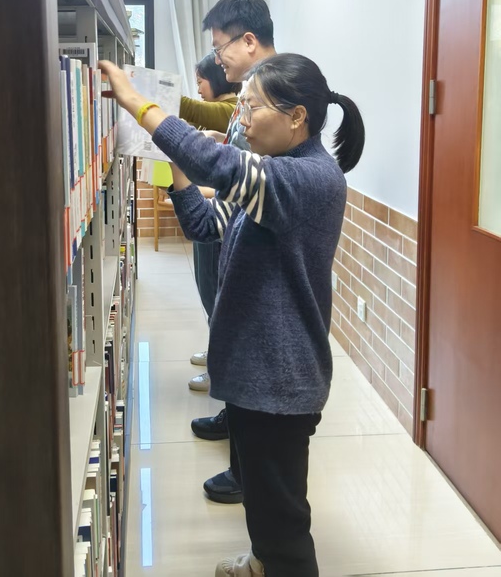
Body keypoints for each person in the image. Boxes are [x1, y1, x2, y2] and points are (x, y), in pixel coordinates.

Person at [99, 52, 365, 577]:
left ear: (296, 117)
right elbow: (203, 223)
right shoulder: (274, 178)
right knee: (265, 506)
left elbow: (220, 165)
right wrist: (174, 164)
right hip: (256, 375)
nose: (241, 120)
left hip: (278, 382)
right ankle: (262, 560)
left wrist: (138, 103)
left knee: (284, 525)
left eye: (252, 107)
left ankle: (276, 561)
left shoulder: (308, 179)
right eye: (240, 106)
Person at [191, 0, 277, 503]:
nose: (217, 58)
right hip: (234, 223)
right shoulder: (250, 89)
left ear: (248, 40)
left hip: (250, 238)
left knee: (251, 349)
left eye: (220, 47)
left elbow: (260, 172)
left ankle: (248, 473)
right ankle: (236, 429)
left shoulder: (276, 90)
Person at [179, 54, 241, 392]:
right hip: (211, 208)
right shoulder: (225, 114)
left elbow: (190, 109)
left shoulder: (229, 108)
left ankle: (221, 366)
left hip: (218, 214)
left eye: (201, 81)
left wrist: (147, 96)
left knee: (216, 294)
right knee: (208, 291)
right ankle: (217, 352)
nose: (199, 89)